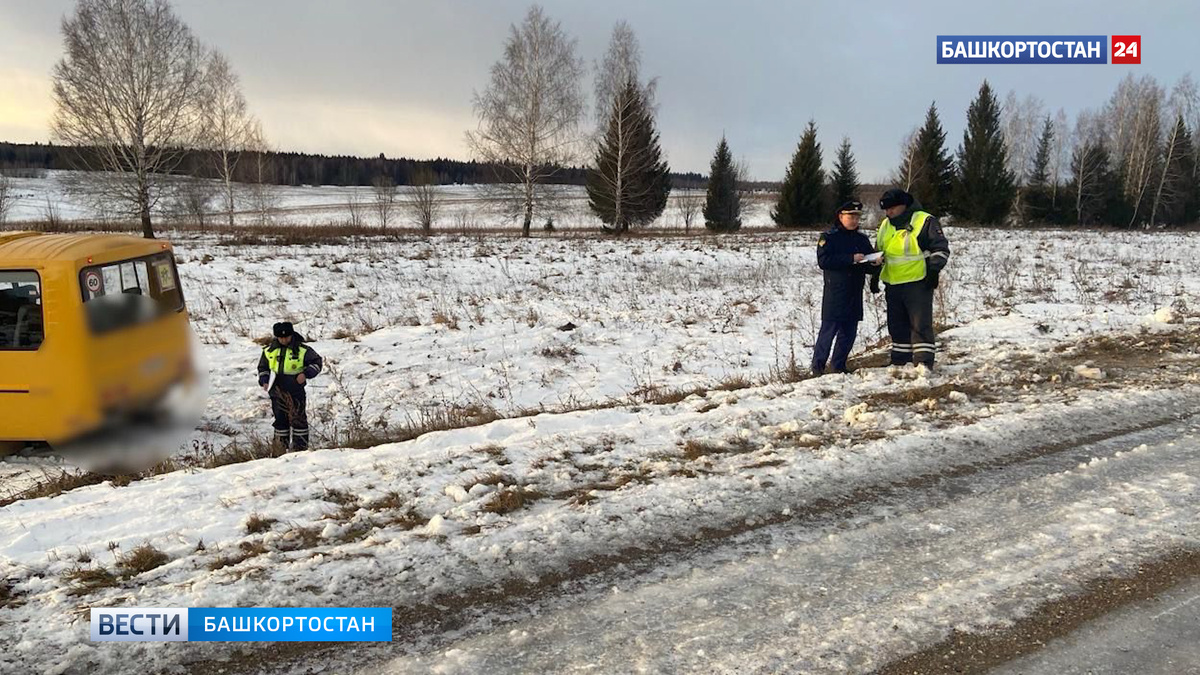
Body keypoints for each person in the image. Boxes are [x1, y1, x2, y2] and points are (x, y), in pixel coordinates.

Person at [876, 188, 950, 370]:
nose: (889, 212)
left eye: (892, 208)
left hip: (918, 281)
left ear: (904, 205)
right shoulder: (886, 224)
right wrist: (874, 273)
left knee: (919, 324)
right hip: (892, 283)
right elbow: (879, 251)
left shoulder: (924, 220)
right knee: (897, 324)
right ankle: (900, 360)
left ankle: (924, 361)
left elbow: (940, 248)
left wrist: (933, 271)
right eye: (886, 209)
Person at [813, 200, 882, 375]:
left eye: (857, 217)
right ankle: (817, 368)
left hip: (854, 292)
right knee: (828, 333)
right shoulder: (829, 237)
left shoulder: (861, 239)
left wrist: (875, 264)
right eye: (850, 216)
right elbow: (824, 261)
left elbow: (866, 265)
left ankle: (839, 366)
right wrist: (850, 258)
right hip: (835, 293)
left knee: (849, 333)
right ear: (841, 216)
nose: (854, 220)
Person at [257, 321, 323, 451]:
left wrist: (306, 374)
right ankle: (280, 448)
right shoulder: (269, 351)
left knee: (298, 419)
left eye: (286, 337)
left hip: (295, 390)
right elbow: (263, 367)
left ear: (291, 335)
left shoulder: (303, 350)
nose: (284, 339)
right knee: (280, 421)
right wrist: (264, 379)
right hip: (276, 391)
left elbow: (317, 362)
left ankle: (301, 448)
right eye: (280, 337)